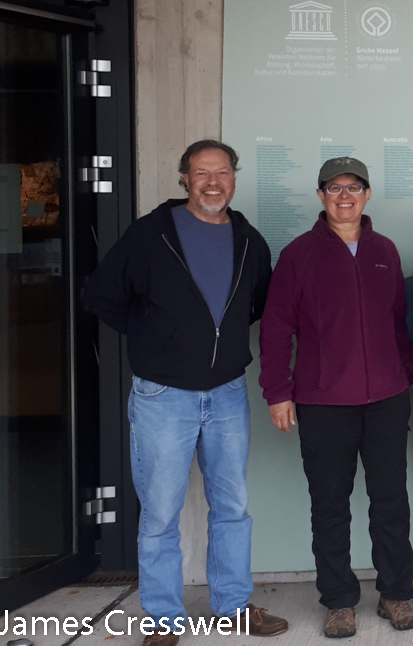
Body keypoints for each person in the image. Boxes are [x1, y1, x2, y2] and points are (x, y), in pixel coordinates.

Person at [84, 140, 286, 646]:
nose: (212, 182)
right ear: (184, 179)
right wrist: (157, 334)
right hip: (163, 397)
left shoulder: (248, 240)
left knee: (232, 506)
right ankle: (163, 619)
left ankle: (234, 606)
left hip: (226, 395)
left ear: (234, 179)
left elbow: (258, 303)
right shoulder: (151, 234)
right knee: (159, 513)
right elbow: (101, 296)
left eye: (221, 172)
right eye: (201, 173)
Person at [258, 157, 413, 638]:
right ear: (321, 196)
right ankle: (338, 601)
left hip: (387, 399)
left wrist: (404, 372)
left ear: (367, 194)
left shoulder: (385, 251)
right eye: (334, 188)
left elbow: (398, 321)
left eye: (354, 187)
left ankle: (396, 594)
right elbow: (275, 329)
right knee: (329, 503)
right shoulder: (298, 255)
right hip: (323, 401)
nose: (344, 196)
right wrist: (278, 391)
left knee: (391, 500)